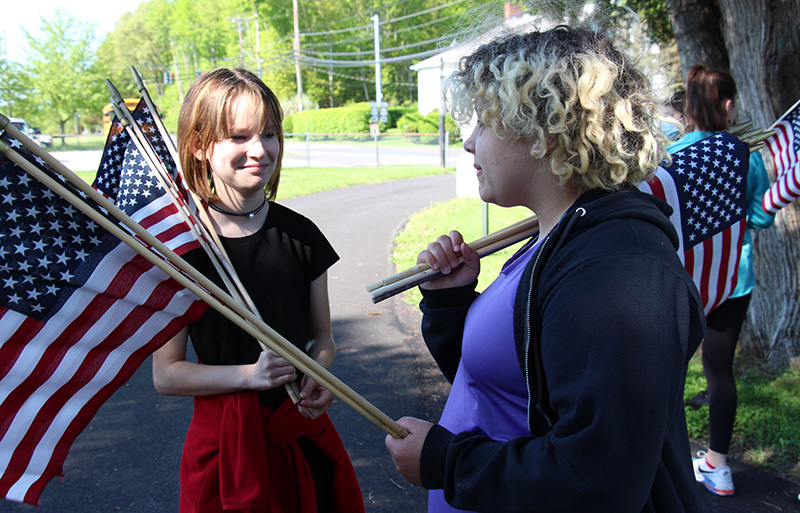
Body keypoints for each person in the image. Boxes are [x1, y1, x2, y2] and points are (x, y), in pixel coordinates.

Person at [383, 25, 706, 512]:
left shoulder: (621, 269)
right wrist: (452, 304)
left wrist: (447, 463)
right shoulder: (554, 237)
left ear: (547, 133)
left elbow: (599, 479)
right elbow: (517, 391)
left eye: (485, 123)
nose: (470, 143)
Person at [152, 68, 364, 513]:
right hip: (223, 450)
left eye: (268, 134)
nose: (259, 150)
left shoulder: (301, 236)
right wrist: (248, 376)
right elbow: (167, 375)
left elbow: (322, 339)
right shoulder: (181, 249)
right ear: (199, 145)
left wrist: (317, 375)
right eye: (238, 136)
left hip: (299, 432)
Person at [672, 63, 775, 497]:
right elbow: (762, 216)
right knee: (719, 371)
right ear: (729, 104)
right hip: (733, 278)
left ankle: (666, 462)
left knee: (669, 371)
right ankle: (718, 466)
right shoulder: (746, 155)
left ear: (689, 109)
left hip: (684, 280)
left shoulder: (675, 155)